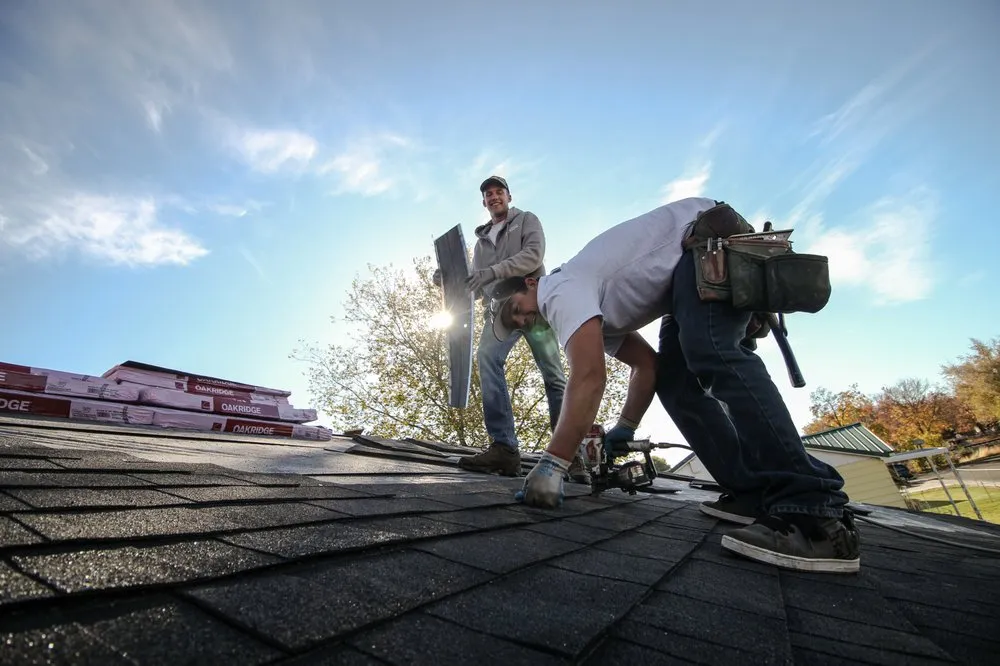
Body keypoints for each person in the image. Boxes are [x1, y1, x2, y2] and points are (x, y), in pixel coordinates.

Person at [488, 196, 861, 573]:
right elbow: (648, 367)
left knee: (711, 349)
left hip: (703, 240)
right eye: (517, 324)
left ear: (533, 281)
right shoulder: (590, 307)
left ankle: (814, 513)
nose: (523, 320)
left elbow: (589, 378)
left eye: (516, 309)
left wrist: (554, 463)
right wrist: (626, 427)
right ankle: (752, 491)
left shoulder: (558, 289)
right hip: (683, 273)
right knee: (677, 380)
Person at [445, 176, 587, 483]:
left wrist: (490, 272)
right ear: (483, 203)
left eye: (499, 192)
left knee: (554, 376)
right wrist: (451, 279)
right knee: (487, 359)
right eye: (488, 194)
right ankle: (505, 449)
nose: (494, 197)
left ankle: (571, 454)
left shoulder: (526, 220)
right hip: (499, 313)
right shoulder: (481, 243)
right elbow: (480, 286)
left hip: (533, 303)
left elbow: (532, 257)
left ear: (508, 196)